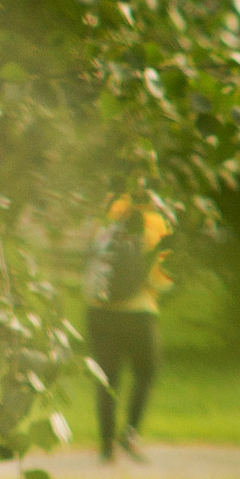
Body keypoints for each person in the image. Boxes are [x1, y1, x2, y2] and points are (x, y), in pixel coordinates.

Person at [83, 191, 171, 462]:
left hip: (99, 311)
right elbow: (161, 273)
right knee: (147, 371)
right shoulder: (153, 220)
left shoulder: (106, 215)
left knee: (107, 380)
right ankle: (130, 433)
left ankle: (106, 448)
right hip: (138, 312)